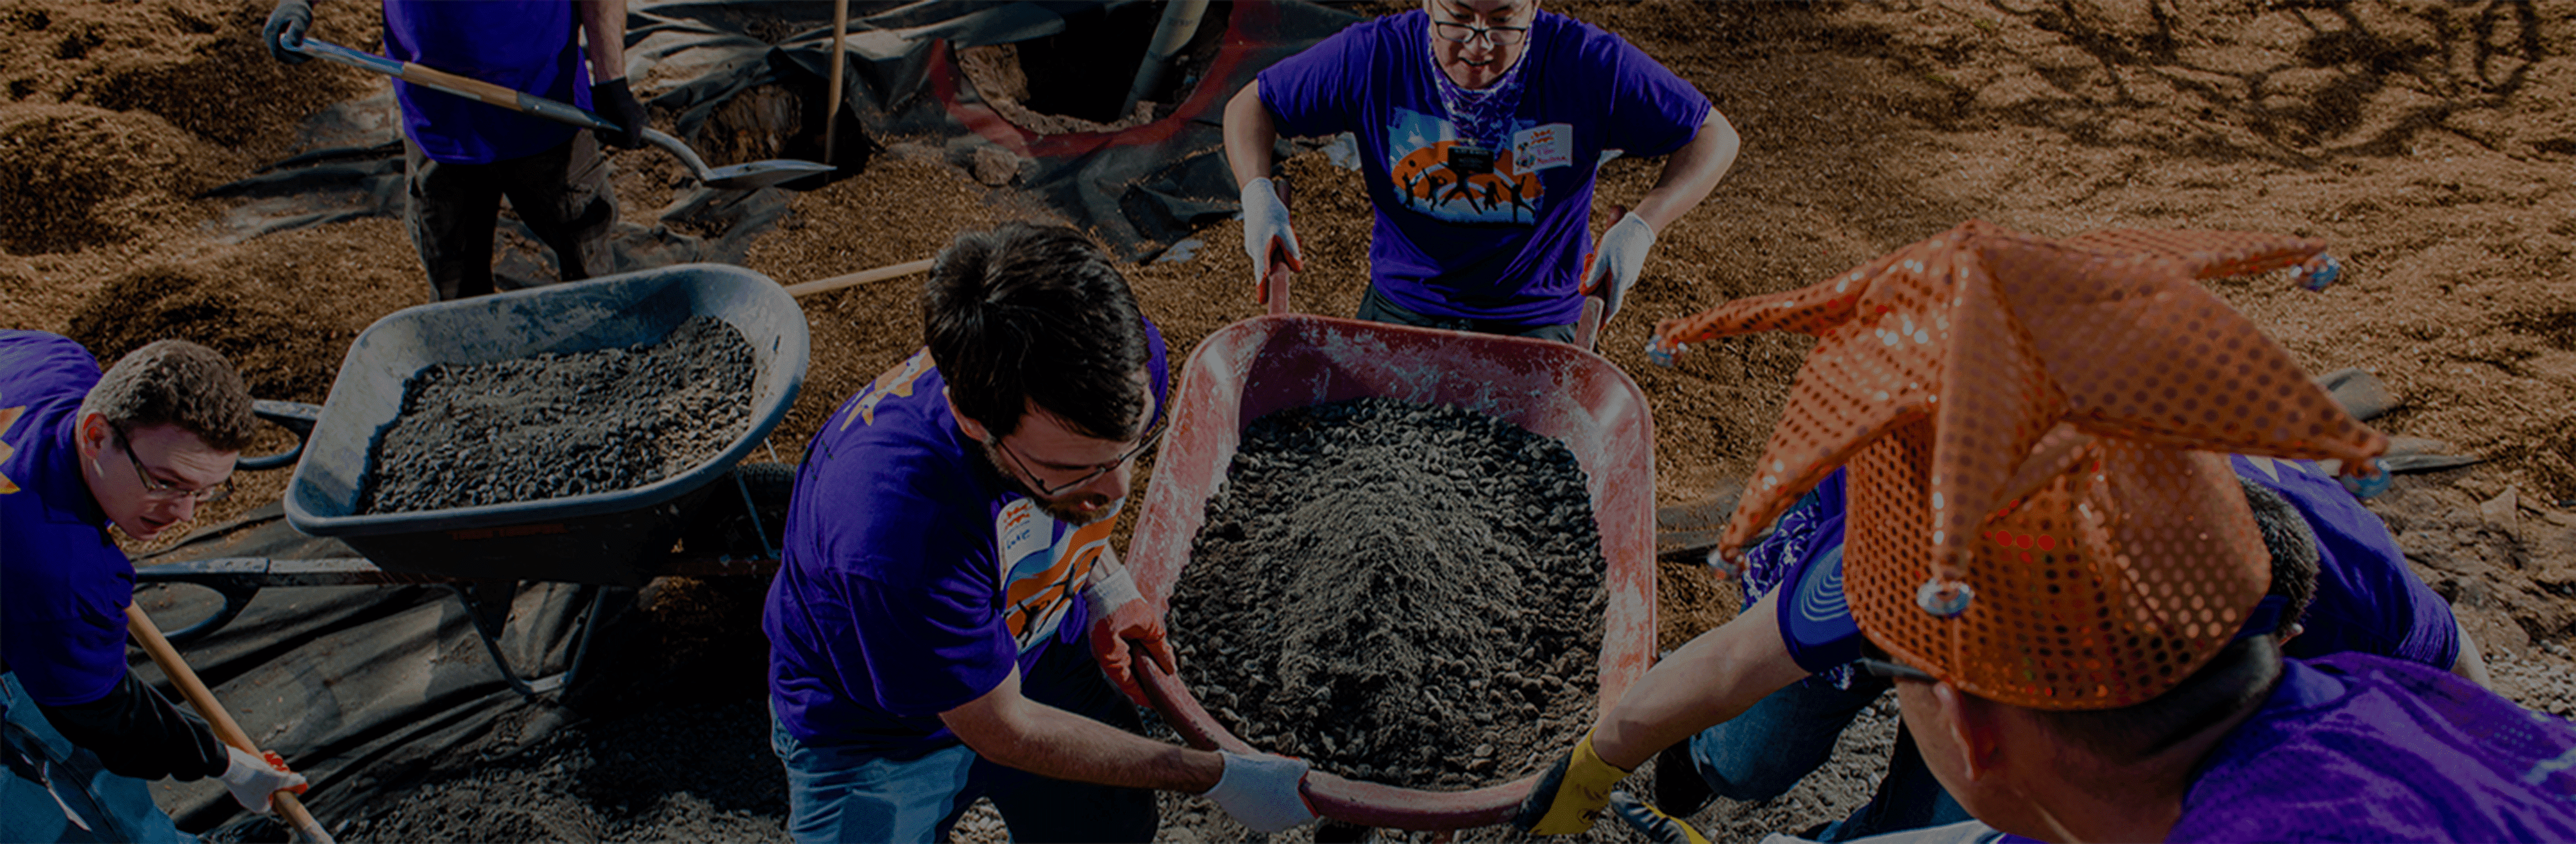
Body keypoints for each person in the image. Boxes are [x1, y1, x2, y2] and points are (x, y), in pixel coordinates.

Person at [1513, 222, 2486, 838]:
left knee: (1925, 809)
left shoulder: (2331, 563)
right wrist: (1604, 758)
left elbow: (2447, 668)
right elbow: (1740, 662)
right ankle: (1707, 777)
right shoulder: (1911, 526)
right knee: (1756, 747)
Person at [760, 224, 1314, 843]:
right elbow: (1005, 728)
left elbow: (1078, 485)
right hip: (883, 734)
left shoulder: (1121, 370)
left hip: (1043, 650)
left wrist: (1107, 588)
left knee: (1104, 829)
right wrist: (1216, 776)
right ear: (975, 423)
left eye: (1130, 450)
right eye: (1072, 471)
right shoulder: (896, 532)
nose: (1119, 491)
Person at [1224, 0, 1741, 343]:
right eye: (1458, 17)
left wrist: (1642, 226)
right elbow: (1252, 106)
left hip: (1535, 316)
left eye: (1503, 21)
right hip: (1407, 305)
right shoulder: (1375, 56)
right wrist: (1258, 194)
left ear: (1534, 6)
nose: (1478, 44)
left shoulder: (1587, 64)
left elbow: (1713, 136)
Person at [2, 333, 309, 843]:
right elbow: (107, 718)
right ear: (96, 435)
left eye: (206, 491)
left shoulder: (53, 360)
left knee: (60, 705)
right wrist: (225, 763)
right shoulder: (61, 575)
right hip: (27, 590)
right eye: (165, 483)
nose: (184, 514)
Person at [264, 0, 651, 302]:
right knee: (455, 285)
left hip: (544, 107)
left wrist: (611, 79)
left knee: (587, 268)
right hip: (437, 115)